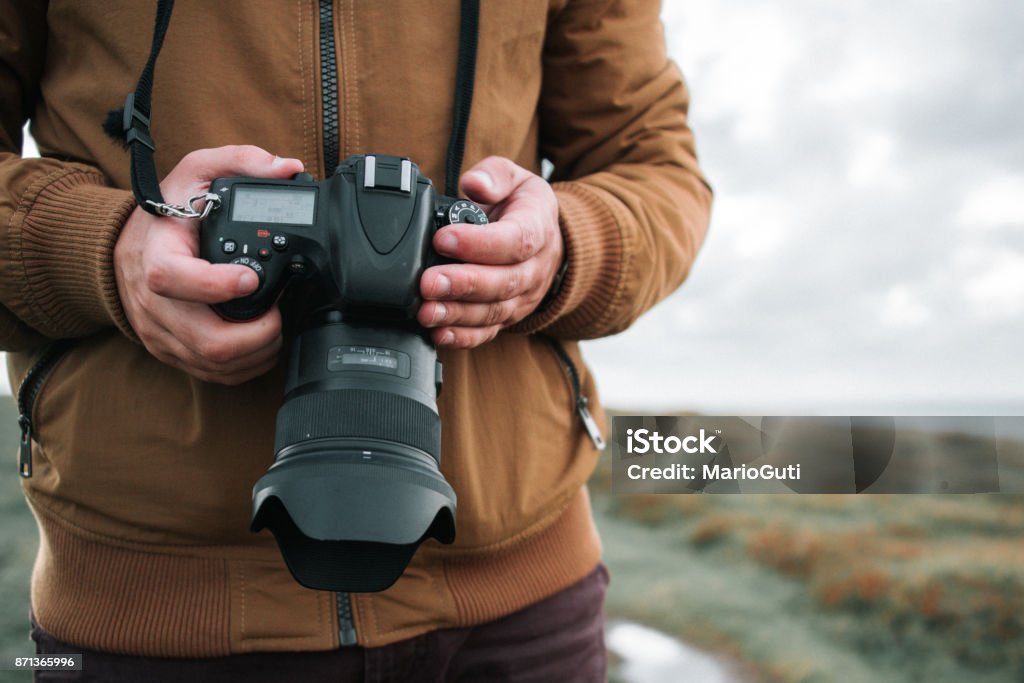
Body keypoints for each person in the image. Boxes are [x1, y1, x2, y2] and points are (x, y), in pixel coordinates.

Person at [0, 1, 711, 680]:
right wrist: (98, 248)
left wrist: (561, 249)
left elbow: (656, 167)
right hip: (149, 610)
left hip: (519, 607)